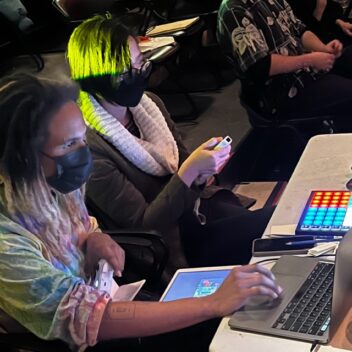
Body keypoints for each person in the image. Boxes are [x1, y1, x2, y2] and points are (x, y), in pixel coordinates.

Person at [0, 73, 282, 351]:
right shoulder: (6, 243)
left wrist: (93, 237)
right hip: (86, 339)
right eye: (69, 144)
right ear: (22, 160)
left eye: (82, 139)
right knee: (230, 324)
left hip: (110, 296)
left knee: (248, 309)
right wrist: (213, 303)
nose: (83, 152)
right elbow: (92, 320)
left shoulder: (52, 182)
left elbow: (83, 225)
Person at [66, 14, 275, 274]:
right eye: (124, 72)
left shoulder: (149, 105)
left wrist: (205, 169)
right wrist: (190, 172)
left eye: (141, 63)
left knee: (278, 226)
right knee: (273, 230)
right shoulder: (91, 152)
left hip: (198, 208)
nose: (138, 74)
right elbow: (146, 225)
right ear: (94, 79)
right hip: (175, 242)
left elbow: (186, 166)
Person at [217, 0, 352, 125]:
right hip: (284, 91)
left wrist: (324, 48)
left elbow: (300, 30)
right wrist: (310, 60)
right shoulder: (233, 10)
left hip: (304, 71)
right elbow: (261, 67)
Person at [287, 0, 352, 45]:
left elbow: (332, 8)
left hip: (335, 23)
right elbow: (306, 30)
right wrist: (320, 8)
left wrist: (339, 22)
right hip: (318, 37)